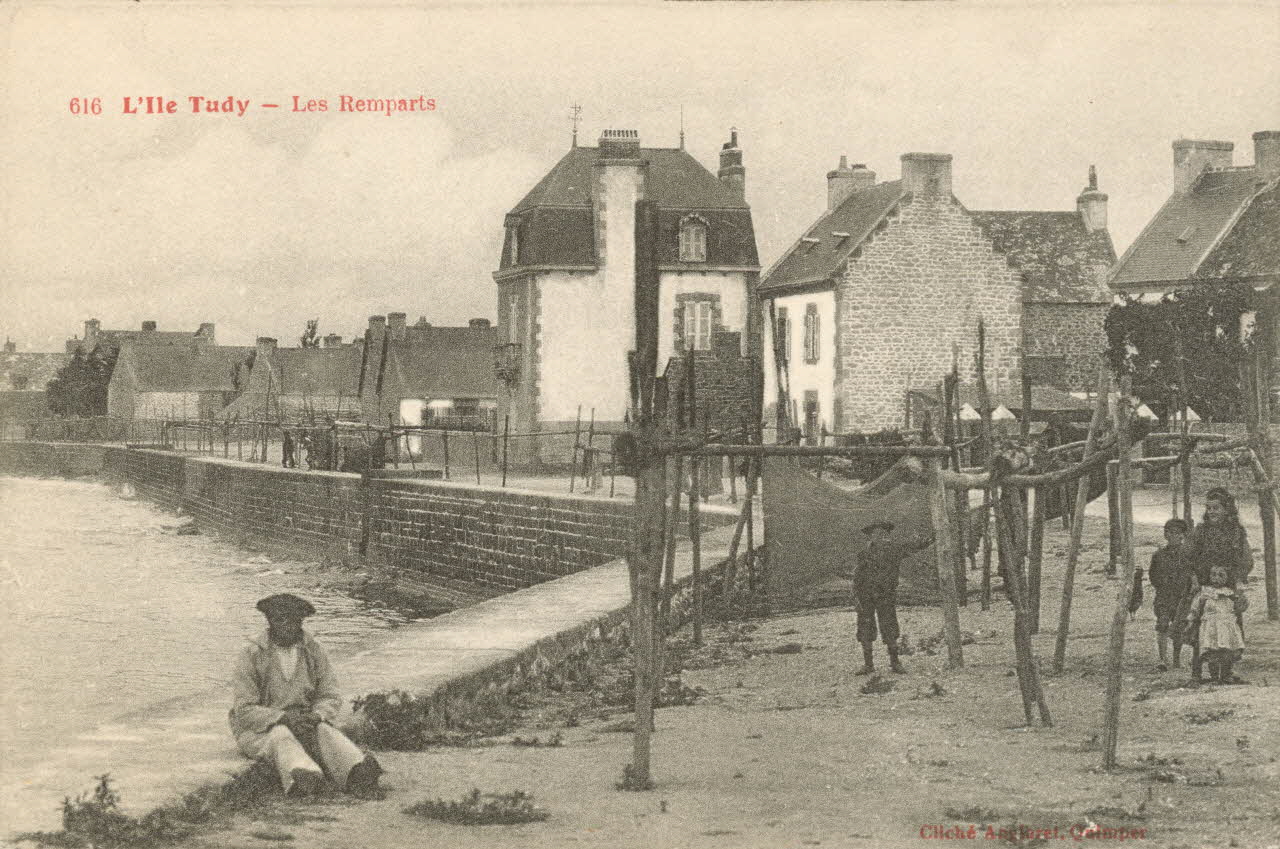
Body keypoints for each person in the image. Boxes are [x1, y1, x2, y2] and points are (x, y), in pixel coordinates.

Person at [230, 593, 382, 796]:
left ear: (301, 621)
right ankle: (305, 778)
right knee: (281, 736)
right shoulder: (252, 654)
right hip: (261, 731)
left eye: (293, 620)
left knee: (325, 732)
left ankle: (357, 772)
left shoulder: (313, 650)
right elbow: (244, 709)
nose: (287, 625)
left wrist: (316, 715)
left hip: (304, 724)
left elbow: (330, 695)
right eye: (279, 619)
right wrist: (282, 718)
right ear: (269, 621)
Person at [846, 520, 930, 676]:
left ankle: (895, 662)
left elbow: (915, 546)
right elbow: (857, 577)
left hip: (886, 595)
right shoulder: (863, 554)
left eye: (883, 534)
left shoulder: (895, 550)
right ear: (870, 537)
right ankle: (868, 665)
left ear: (887, 536)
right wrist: (856, 596)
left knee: (889, 626)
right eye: (875, 534)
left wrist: (930, 538)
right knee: (865, 628)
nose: (880, 537)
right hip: (866, 596)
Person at [1147, 518, 1195, 670]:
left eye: (1176, 533)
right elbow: (1153, 576)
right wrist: (1163, 586)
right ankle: (1162, 659)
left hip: (1182, 597)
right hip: (1164, 596)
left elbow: (1193, 575)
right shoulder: (1159, 555)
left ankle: (1176, 659)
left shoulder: (1188, 555)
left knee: (1179, 628)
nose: (1173, 536)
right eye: (1169, 533)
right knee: (1162, 624)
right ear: (1165, 535)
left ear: (1182, 535)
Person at [1186, 565, 1247, 685]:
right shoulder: (1204, 592)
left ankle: (1225, 675)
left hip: (1227, 626)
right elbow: (1195, 608)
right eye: (1213, 575)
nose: (1216, 578)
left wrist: (1241, 599)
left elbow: (1241, 607)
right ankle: (1214, 677)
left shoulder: (1230, 593)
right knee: (1212, 651)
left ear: (1227, 578)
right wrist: (1190, 621)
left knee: (1226, 650)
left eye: (1221, 575)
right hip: (1210, 627)